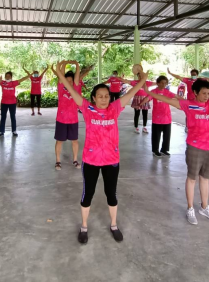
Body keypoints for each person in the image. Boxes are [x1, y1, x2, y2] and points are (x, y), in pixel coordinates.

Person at [53, 60, 149, 244]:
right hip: (91, 161)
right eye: (100, 96)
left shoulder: (115, 108)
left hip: (111, 161)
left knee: (111, 194)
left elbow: (131, 93)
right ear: (94, 98)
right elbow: (71, 90)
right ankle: (84, 227)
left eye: (106, 96)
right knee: (87, 194)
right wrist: (60, 75)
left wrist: (142, 79)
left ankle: (114, 225)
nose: (104, 99)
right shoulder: (87, 108)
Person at [147, 78, 209, 225]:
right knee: (192, 178)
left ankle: (205, 207)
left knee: (205, 178)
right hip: (195, 147)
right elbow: (167, 100)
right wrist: (148, 92)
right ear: (195, 93)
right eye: (204, 93)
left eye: (208, 93)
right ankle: (190, 208)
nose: (206, 96)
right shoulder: (188, 105)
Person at [139, 76, 183, 157]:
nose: (164, 84)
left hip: (167, 117)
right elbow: (148, 98)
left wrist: (186, 101)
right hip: (157, 118)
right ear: (158, 83)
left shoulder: (167, 92)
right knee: (156, 135)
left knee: (167, 135)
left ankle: (164, 150)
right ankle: (155, 150)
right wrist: (141, 104)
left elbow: (176, 96)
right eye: (162, 83)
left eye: (165, 83)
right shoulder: (154, 92)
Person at [51, 60, 82, 171]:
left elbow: (77, 76)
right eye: (67, 80)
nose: (69, 82)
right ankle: (58, 161)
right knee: (59, 141)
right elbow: (61, 75)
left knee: (75, 141)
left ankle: (75, 160)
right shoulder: (61, 87)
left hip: (73, 120)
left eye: (71, 81)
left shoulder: (76, 88)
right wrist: (64, 64)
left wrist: (76, 65)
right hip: (61, 119)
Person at [0, 66, 31, 138]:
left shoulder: (14, 83)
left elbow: (23, 79)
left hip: (12, 103)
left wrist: (30, 75)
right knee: (3, 117)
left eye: (9, 76)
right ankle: (1, 131)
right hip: (4, 103)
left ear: (11, 77)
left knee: (13, 117)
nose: (7, 77)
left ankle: (14, 131)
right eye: (6, 76)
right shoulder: (2, 82)